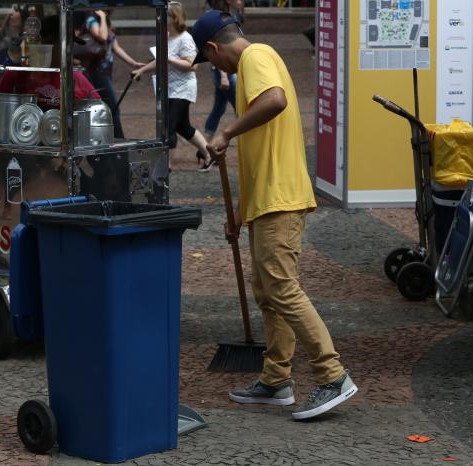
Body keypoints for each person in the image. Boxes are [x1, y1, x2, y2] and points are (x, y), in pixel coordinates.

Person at [192, 10, 357, 420]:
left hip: (281, 198)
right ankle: (275, 379)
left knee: (282, 288)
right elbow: (261, 150)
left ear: (213, 48)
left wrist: (227, 131)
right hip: (267, 201)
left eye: (208, 60)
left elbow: (276, 100)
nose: (212, 67)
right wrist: (241, 215)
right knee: (267, 291)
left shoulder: (256, 56)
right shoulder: (253, 64)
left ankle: (332, 376)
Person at [131, 1, 215, 171]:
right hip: (169, 88)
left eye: (165, 15)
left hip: (183, 88)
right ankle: (208, 154)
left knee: (168, 125)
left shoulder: (186, 38)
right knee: (184, 127)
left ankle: (165, 164)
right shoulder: (167, 37)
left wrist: (169, 59)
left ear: (174, 17)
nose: (161, 18)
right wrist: (141, 71)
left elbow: (193, 65)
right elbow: (159, 59)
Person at [78, 10, 145, 139]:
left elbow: (115, 47)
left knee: (109, 108)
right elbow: (102, 37)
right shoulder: (92, 20)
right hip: (95, 71)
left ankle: (110, 139)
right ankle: (119, 140)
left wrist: (133, 63)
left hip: (105, 72)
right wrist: (102, 17)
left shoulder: (105, 22)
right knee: (112, 107)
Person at [202, 0, 237, 147]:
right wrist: (224, 76)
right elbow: (219, 49)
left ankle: (205, 148)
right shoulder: (214, 16)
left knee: (218, 108)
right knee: (242, 109)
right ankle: (214, 146)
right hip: (225, 72)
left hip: (225, 70)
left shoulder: (231, 13)